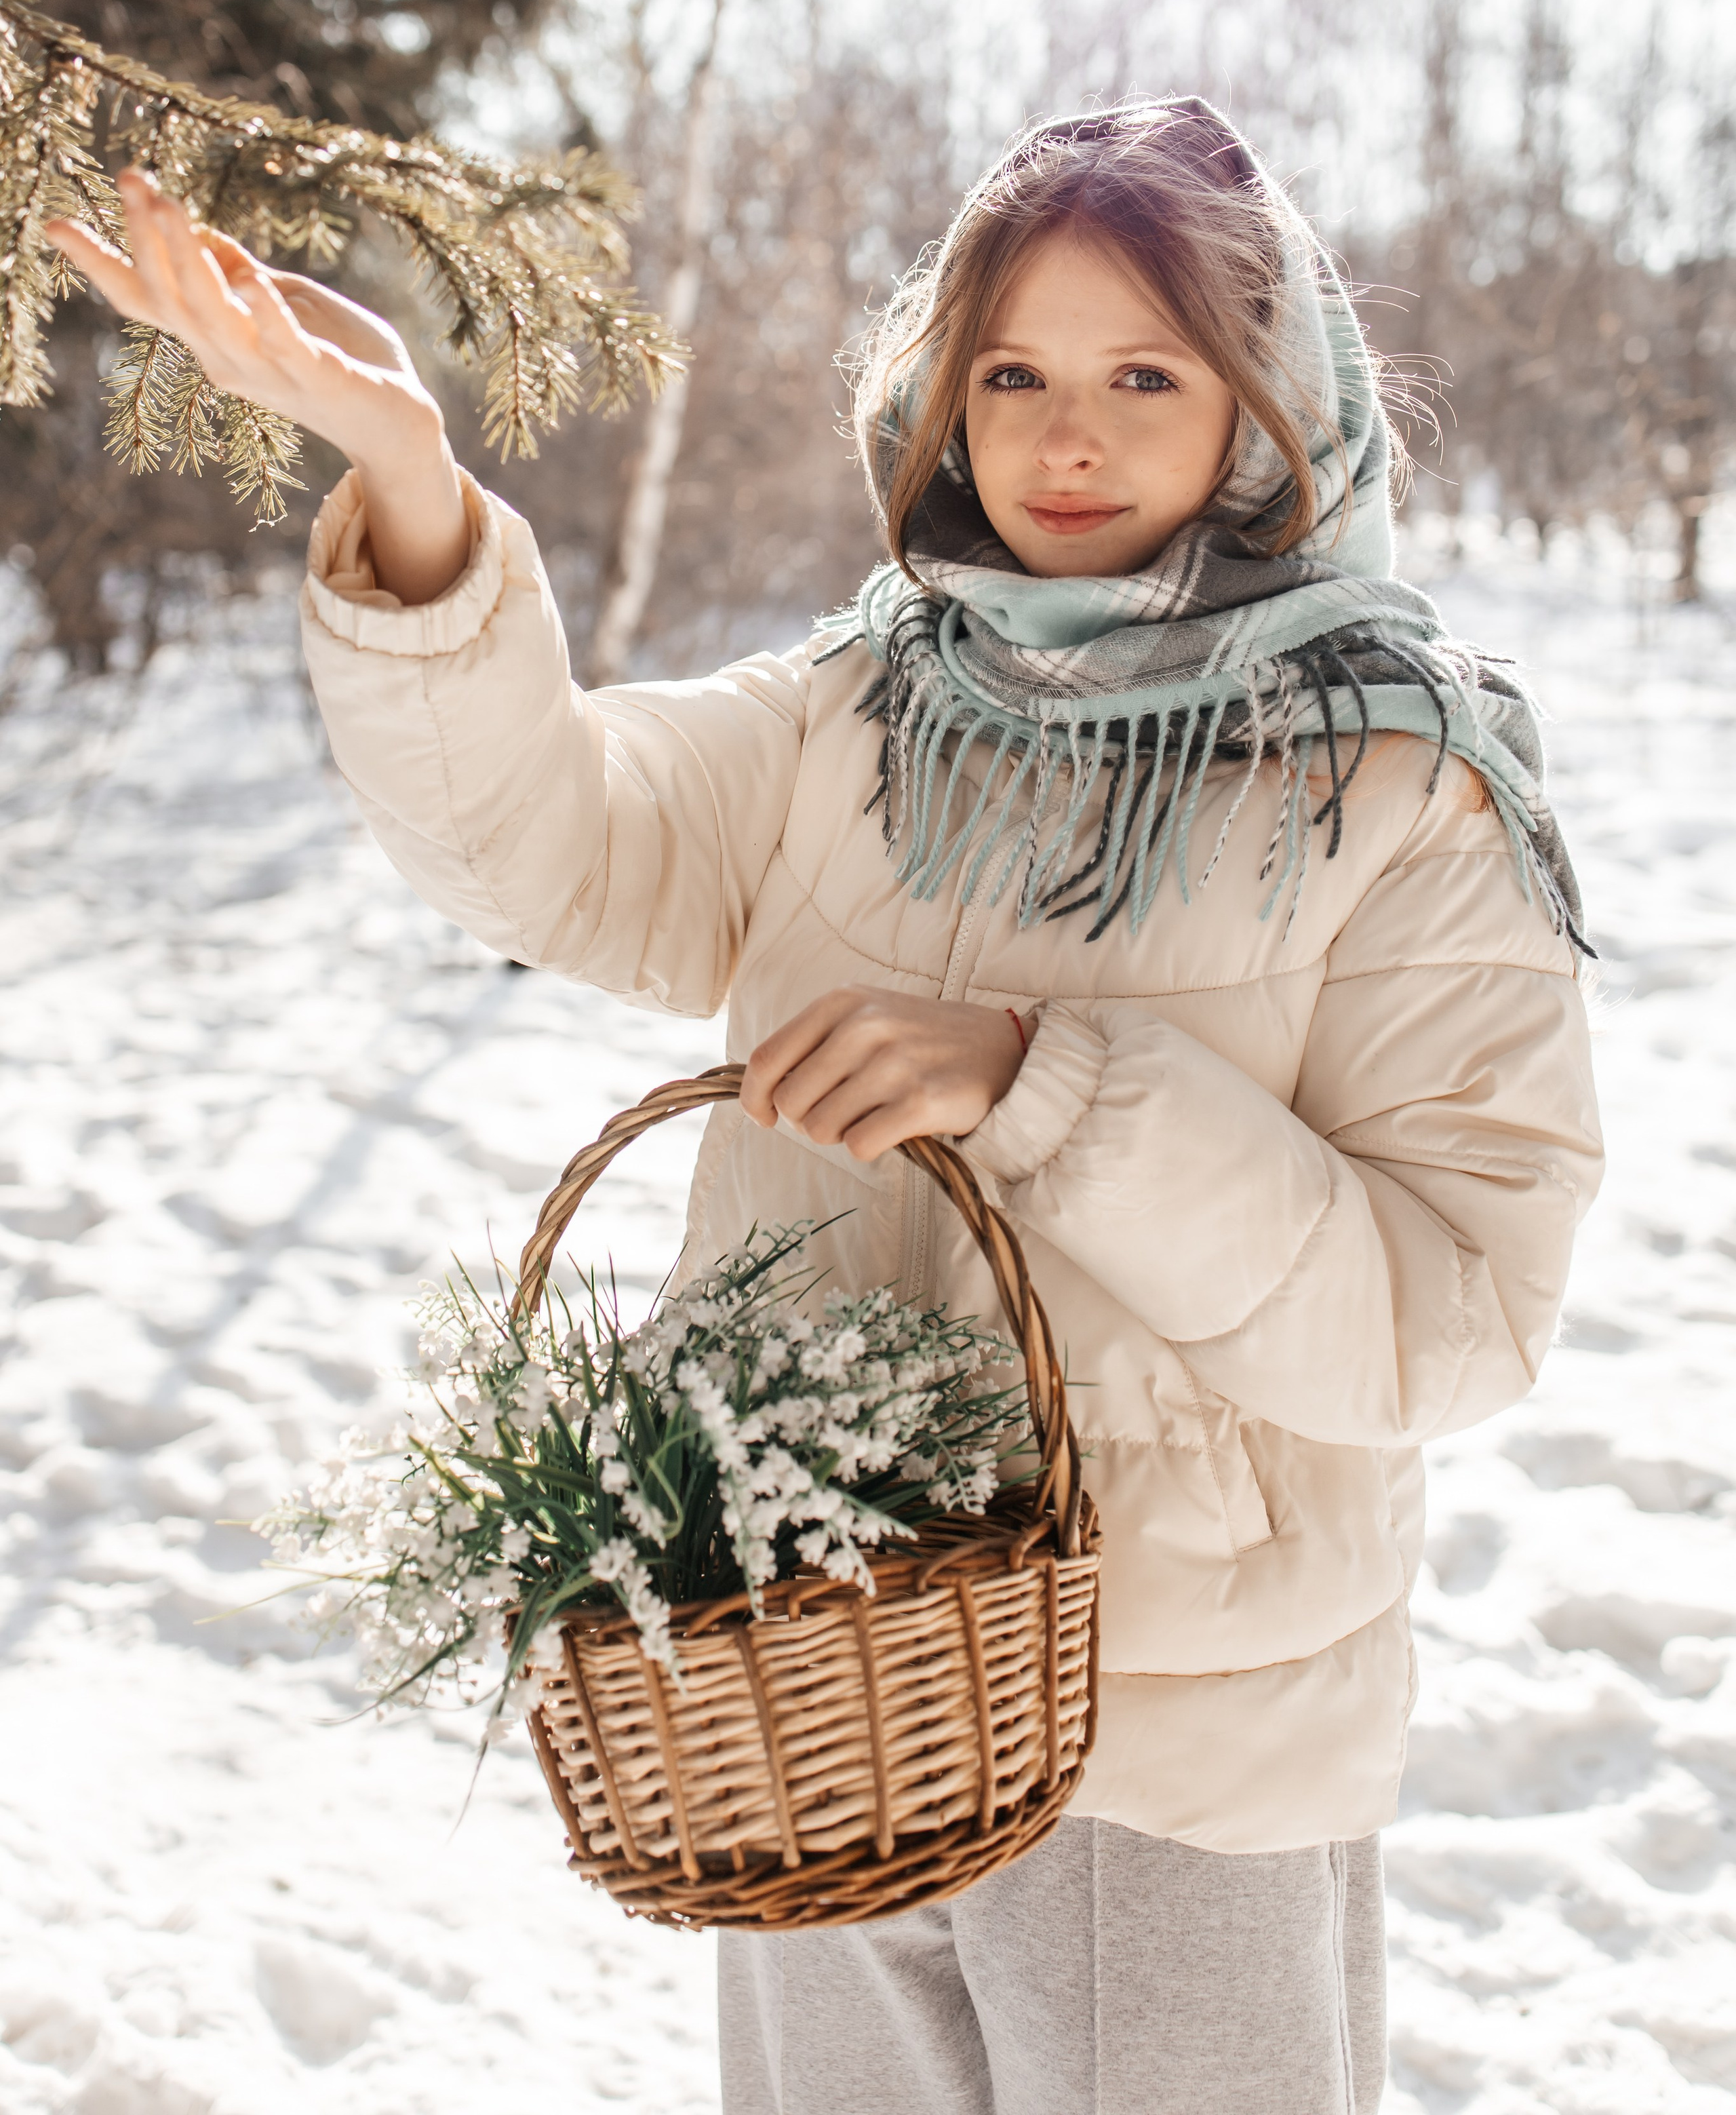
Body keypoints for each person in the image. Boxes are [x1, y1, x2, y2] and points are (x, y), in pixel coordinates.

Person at [48, 101, 1603, 2115]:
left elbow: (1455, 1312)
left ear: (1276, 402)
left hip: (1182, 1743)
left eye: (1148, 376)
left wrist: (1052, 1089)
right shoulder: (852, 716)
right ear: (939, 396)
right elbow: (554, 838)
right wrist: (414, 485)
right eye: (1014, 373)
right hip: (812, 1675)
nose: (1068, 438)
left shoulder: (1399, 783)